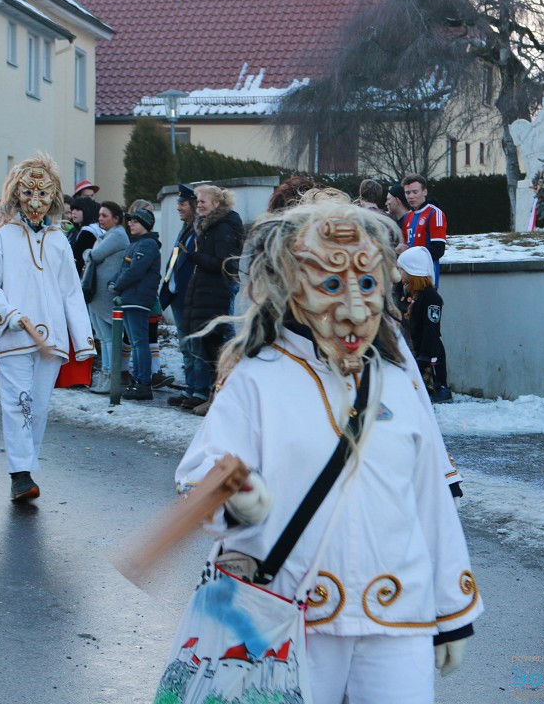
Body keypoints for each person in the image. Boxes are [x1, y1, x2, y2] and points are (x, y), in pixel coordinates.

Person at [162, 200, 481, 704]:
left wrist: (450, 612)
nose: (355, 308)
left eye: (368, 284)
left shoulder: (396, 381)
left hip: (398, 616)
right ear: (290, 287)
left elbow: (430, 501)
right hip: (289, 615)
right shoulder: (257, 378)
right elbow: (200, 473)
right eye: (331, 285)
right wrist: (236, 493)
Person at [0, 154, 95, 500]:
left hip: (50, 338)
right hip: (13, 337)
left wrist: (82, 339)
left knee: (37, 407)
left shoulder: (58, 241)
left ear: (53, 197)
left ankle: (25, 466)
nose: (36, 202)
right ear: (17, 196)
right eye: (29, 194)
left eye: (43, 195)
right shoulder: (1, 239)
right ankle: (20, 474)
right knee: (19, 402)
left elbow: (72, 291)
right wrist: (9, 315)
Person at [179, 184, 244, 413]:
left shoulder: (223, 226)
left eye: (203, 201)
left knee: (219, 347)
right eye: (198, 201)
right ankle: (213, 395)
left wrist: (194, 257)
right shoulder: (210, 225)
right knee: (210, 347)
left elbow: (222, 262)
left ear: (216, 203)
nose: (199, 205)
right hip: (208, 292)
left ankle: (221, 398)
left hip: (218, 291)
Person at [108, 208, 162, 401]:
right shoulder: (137, 244)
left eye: (135, 221)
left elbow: (135, 271)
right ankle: (137, 380)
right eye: (129, 221)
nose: (130, 223)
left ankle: (143, 383)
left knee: (140, 342)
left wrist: (117, 285)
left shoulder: (147, 245)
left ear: (146, 225)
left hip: (138, 298)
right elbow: (124, 268)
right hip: (130, 298)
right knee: (135, 341)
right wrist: (113, 281)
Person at [84, 201, 130, 394]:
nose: (100, 219)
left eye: (105, 215)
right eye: (100, 216)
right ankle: (105, 374)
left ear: (116, 219)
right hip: (97, 293)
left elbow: (94, 254)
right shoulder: (106, 235)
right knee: (102, 338)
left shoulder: (118, 235)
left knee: (110, 338)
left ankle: (112, 377)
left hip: (106, 294)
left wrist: (88, 252)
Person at [163, 184, 202, 408]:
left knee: (195, 346)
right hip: (178, 296)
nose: (178, 207)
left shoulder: (198, 229)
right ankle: (190, 389)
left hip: (190, 296)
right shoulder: (185, 229)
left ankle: (199, 391)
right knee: (185, 347)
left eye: (183, 203)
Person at [397, 246, 449, 401]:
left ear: (413, 272)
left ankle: (440, 390)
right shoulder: (413, 294)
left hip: (429, 356)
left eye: (402, 270)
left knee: (427, 394)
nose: (400, 274)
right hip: (419, 352)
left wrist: (427, 356)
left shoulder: (430, 297)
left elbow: (431, 329)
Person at [401, 174, 446, 283]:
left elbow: (438, 250)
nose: (411, 196)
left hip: (426, 278)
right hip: (408, 279)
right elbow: (407, 245)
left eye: (415, 192)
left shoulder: (435, 213)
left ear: (424, 192)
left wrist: (412, 255)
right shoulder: (407, 216)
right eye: (408, 193)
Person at [68, 196, 102, 276]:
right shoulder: (93, 228)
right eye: (72, 209)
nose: (73, 212)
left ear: (87, 211)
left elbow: (77, 258)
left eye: (78, 210)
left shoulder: (88, 232)